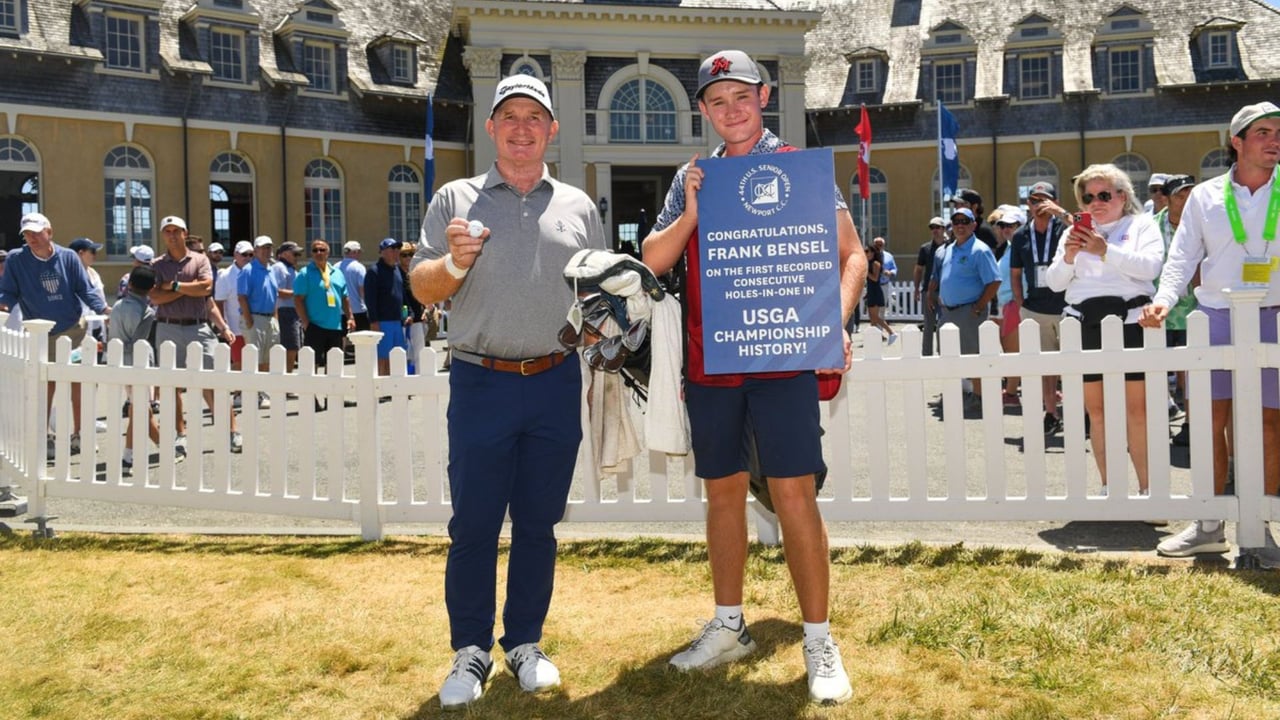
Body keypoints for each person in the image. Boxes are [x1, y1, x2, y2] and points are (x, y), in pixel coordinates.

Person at [641, 49, 865, 706]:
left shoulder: (798, 168)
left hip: (784, 355)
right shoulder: (693, 176)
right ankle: (729, 624)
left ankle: (818, 638)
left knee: (794, 493)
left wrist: (835, 325)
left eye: (741, 96)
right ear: (703, 110)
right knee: (722, 495)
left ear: (763, 97)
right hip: (714, 360)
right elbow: (653, 260)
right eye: (717, 101)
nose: (731, 109)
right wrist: (692, 211)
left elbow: (851, 256)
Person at [407, 73, 607, 710]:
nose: (523, 129)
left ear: (552, 130)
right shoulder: (455, 199)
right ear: (491, 128)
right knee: (473, 524)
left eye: (535, 117)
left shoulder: (579, 206)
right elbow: (422, 287)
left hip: (555, 380)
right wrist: (455, 262)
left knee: (539, 525)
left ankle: (524, 642)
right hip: (481, 380)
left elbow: (598, 298)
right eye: (510, 117)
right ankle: (470, 648)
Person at [1140, 102, 1280, 564]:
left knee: (1268, 425)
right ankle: (1208, 526)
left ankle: (1259, 531)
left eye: (1278, 132)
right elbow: (1182, 255)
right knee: (1207, 421)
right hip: (1214, 317)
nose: (1274, 140)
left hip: (1273, 317)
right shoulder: (1205, 196)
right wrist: (1164, 299)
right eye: (1263, 132)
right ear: (1237, 142)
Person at [1045, 164, 1163, 497]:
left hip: (1132, 322)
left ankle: (1148, 490)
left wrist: (1105, 250)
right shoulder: (1073, 232)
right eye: (1087, 197)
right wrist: (1069, 257)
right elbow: (1054, 283)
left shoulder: (1141, 224)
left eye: (1104, 195)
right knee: (1097, 412)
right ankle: (1110, 487)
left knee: (1137, 411)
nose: (1095, 202)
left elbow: (1151, 268)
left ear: (1122, 196)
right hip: (1085, 324)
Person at [0, 212, 109, 458]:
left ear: (49, 232)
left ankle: (80, 434)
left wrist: (104, 309)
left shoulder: (68, 256)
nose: (32, 238)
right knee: (45, 385)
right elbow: (8, 292)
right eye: (27, 234)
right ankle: (45, 436)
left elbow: (85, 289)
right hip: (41, 333)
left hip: (73, 329)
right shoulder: (16, 259)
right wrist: (3, 305)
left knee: (78, 383)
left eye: (37, 233)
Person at [149, 215, 241, 456]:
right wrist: (190, 289)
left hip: (198, 327)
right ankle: (180, 434)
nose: (171, 235)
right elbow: (155, 297)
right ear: (163, 235)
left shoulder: (200, 260)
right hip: (167, 326)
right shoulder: (156, 265)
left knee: (214, 381)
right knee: (171, 385)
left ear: (184, 233)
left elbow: (206, 289)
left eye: (176, 231)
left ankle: (231, 431)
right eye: (167, 231)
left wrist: (174, 286)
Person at [1010, 181, 1070, 435]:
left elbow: (1086, 228)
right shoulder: (1021, 235)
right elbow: (1015, 274)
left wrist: (1061, 213)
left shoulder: (1064, 228)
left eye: (1045, 200)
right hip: (1035, 308)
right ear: (1028, 204)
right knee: (1046, 367)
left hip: (1067, 306)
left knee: (1074, 364)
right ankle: (1051, 413)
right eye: (1034, 200)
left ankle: (1082, 413)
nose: (1039, 205)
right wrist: (1020, 303)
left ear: (1055, 202)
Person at [929, 207, 1000, 415]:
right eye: (956, 221)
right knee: (948, 355)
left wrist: (979, 306)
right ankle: (954, 394)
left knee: (973, 355)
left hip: (969, 311)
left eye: (965, 221)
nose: (960, 225)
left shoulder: (980, 250)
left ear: (973, 225)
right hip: (948, 311)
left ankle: (978, 396)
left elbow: (994, 281)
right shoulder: (949, 249)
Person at [1154, 174, 1200, 447]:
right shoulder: (1151, 227)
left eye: (1190, 195)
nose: (1186, 201)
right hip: (1159, 310)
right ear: (1166, 199)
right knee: (1157, 369)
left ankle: (1191, 425)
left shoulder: (1202, 223)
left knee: (1191, 371)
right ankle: (1159, 422)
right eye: (1180, 196)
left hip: (1193, 309)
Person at [109, 265, 160, 474]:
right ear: (152, 288)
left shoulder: (117, 306)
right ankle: (162, 447)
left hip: (119, 361)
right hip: (138, 365)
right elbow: (140, 340)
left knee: (138, 410)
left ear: (129, 284)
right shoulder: (147, 312)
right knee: (141, 411)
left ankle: (131, 454)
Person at [294, 239, 354, 407]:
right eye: (315, 250)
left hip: (335, 326)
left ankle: (332, 397)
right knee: (312, 364)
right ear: (311, 253)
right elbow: (298, 299)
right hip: (315, 325)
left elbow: (345, 297)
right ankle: (311, 398)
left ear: (328, 252)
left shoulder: (337, 272)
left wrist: (350, 316)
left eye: (322, 250)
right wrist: (306, 322)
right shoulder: (305, 273)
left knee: (333, 364)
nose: (319, 253)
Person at [992, 205, 1026, 405]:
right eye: (1003, 225)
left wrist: (1018, 303)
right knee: (1010, 349)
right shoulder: (1009, 248)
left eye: (1011, 225)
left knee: (1014, 351)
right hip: (1006, 303)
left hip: (1014, 304)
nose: (1005, 229)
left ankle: (1011, 393)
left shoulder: (1020, 247)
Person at [364, 237, 408, 376]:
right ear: (382, 252)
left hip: (397, 321)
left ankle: (395, 384)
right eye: (392, 249)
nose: (396, 252)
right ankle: (382, 384)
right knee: (383, 356)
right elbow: (370, 298)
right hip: (383, 322)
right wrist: (374, 321)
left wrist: (407, 314)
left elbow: (402, 296)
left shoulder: (397, 270)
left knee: (398, 355)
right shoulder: (374, 271)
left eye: (397, 249)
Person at [215, 240, 253, 373]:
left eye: (250, 255)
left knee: (255, 362)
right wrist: (223, 326)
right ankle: (237, 387)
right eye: (244, 254)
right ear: (235, 255)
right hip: (235, 328)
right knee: (238, 363)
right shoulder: (225, 275)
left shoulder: (255, 272)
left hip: (255, 325)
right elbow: (219, 302)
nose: (247, 258)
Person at [914, 217, 947, 355]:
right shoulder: (925, 248)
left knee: (944, 324)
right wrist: (916, 288)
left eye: (937, 227)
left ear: (943, 229)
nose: (935, 230)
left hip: (946, 291)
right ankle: (927, 354)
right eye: (932, 227)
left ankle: (943, 352)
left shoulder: (951, 246)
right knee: (928, 324)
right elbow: (919, 269)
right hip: (928, 291)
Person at [399, 241, 430, 373]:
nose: (408, 257)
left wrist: (426, 309)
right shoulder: (396, 273)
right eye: (404, 255)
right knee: (404, 352)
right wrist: (404, 315)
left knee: (419, 351)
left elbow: (424, 292)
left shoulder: (416, 272)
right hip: (404, 318)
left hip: (418, 316)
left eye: (411, 254)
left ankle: (418, 377)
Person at [272, 241, 302, 373]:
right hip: (284, 312)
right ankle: (286, 377)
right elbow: (277, 291)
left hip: (294, 312)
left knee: (294, 347)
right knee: (290, 347)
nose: (297, 256)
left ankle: (287, 375)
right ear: (284, 254)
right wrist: (299, 293)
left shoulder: (292, 269)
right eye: (294, 253)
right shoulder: (279, 268)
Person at [864, 240, 896, 344]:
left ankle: (891, 332)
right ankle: (875, 338)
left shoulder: (876, 263)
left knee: (875, 317)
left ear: (873, 253)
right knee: (872, 318)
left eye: (867, 251)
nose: (866, 254)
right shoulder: (868, 263)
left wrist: (866, 272)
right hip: (871, 291)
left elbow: (875, 278)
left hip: (876, 291)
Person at [339, 240, 369, 331]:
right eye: (359, 252)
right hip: (358, 310)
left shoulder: (335, 267)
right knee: (360, 337)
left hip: (340, 311)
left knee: (343, 338)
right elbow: (362, 289)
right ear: (355, 252)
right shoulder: (359, 267)